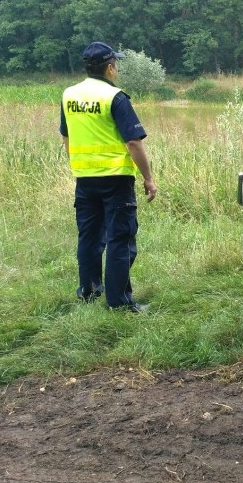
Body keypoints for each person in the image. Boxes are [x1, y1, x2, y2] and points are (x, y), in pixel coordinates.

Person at [60, 41, 157, 312]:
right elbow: (134, 143)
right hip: (116, 179)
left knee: (89, 237)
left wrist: (81, 166)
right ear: (110, 67)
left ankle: (89, 292)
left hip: (85, 178)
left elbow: (66, 136)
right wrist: (148, 178)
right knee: (120, 238)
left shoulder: (69, 95)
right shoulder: (115, 97)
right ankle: (120, 302)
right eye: (116, 64)